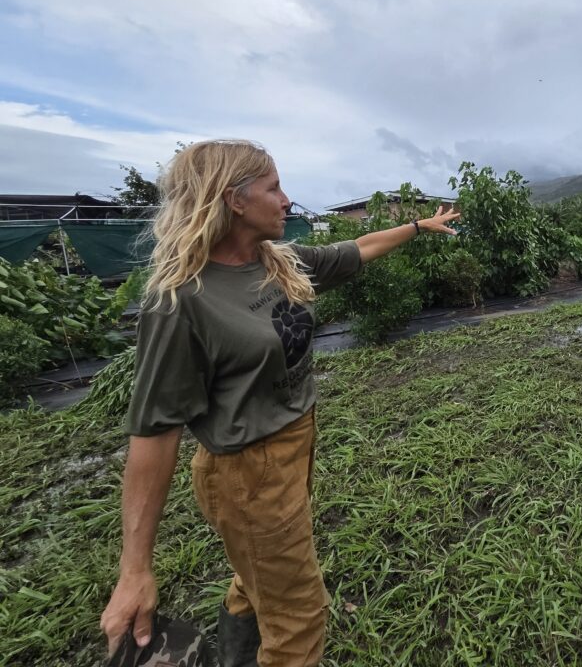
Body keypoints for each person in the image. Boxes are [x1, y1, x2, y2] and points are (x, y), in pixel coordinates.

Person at [100, 140, 460, 666]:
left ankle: (236, 656)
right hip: (247, 473)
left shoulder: (278, 262)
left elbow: (357, 249)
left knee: (255, 581)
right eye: (274, 188)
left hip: (294, 446)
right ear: (234, 200)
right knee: (299, 616)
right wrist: (135, 568)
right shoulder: (182, 299)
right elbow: (154, 431)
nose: (287, 200)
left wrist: (417, 228)